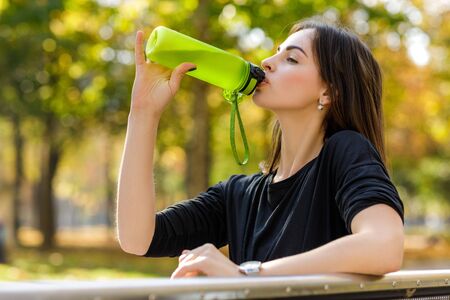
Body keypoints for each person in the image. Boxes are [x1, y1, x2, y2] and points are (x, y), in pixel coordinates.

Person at [116, 17, 405, 279]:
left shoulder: (345, 151)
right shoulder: (239, 196)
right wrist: (143, 113)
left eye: (291, 59)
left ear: (328, 92)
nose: (266, 61)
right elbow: (137, 238)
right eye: (275, 51)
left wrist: (250, 274)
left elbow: (385, 245)